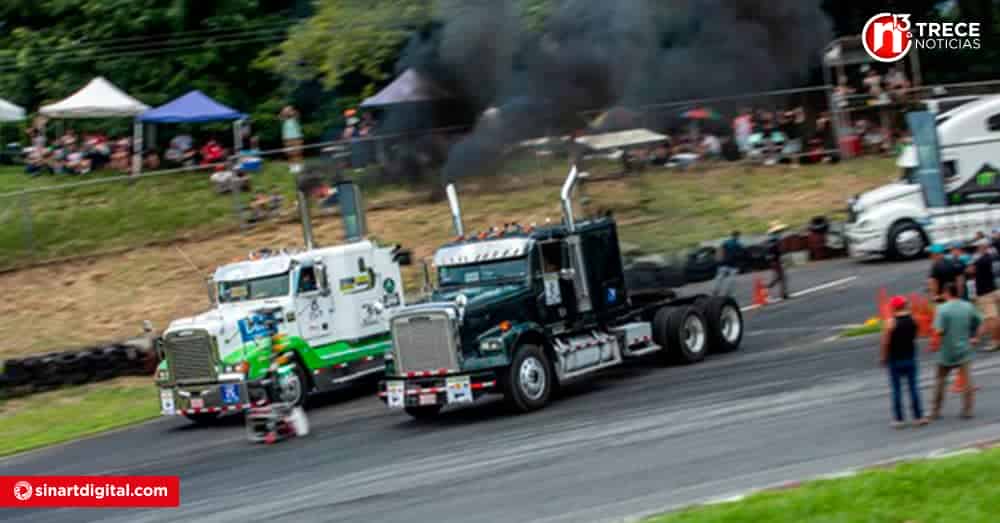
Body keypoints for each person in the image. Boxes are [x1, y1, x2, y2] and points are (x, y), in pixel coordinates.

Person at [931, 282, 981, 420]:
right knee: (967, 381)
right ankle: (968, 410)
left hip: (947, 350)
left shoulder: (942, 309)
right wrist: (975, 337)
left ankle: (935, 411)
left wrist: (936, 343)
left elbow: (939, 330)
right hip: (964, 348)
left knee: (940, 380)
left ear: (947, 293)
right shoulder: (967, 306)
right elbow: (979, 321)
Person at [880, 295, 928, 428]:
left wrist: (883, 357)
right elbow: (916, 335)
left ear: (894, 307)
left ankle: (899, 419)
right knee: (913, 387)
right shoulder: (913, 320)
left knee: (896, 390)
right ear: (905, 305)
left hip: (894, 359)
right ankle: (918, 417)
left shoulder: (890, 323)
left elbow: (885, 342)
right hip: (910, 356)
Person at [972, 238, 1000, 351]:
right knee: (995, 318)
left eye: (978, 247)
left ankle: (995, 342)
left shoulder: (981, 260)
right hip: (995, 289)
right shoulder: (995, 257)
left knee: (991, 319)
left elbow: (971, 271)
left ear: (982, 247)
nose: (977, 249)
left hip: (985, 293)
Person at [712, 231, 745, 297]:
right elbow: (742, 254)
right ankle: (727, 294)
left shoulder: (725, 242)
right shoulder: (739, 244)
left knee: (719, 278)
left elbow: (719, 252)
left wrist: (717, 260)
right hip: (733, 265)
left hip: (723, 264)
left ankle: (715, 291)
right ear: (737, 236)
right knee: (731, 280)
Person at [766, 221, 789, 300]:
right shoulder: (775, 239)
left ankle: (768, 288)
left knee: (779, 277)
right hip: (775, 260)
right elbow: (778, 250)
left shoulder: (771, 239)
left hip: (774, 260)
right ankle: (783, 294)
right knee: (782, 277)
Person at [280, 106, 304, 173]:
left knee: (298, 152)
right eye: (286, 111)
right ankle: (292, 166)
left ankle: (299, 166)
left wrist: (291, 111)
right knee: (289, 153)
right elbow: (281, 117)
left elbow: (297, 115)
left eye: (289, 110)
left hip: (296, 137)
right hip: (287, 138)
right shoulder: (284, 120)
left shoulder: (295, 118)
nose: (287, 112)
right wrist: (284, 111)